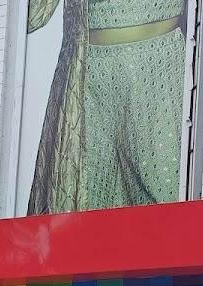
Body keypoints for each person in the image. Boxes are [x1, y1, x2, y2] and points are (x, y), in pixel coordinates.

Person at [25, 0, 185, 213]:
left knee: (170, 207)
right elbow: (30, 16)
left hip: (159, 73)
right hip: (85, 83)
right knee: (78, 218)